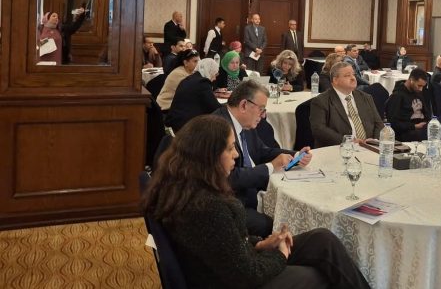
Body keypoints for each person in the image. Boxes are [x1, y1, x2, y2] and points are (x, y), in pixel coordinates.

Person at [141, 115, 370, 288]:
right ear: (208, 155)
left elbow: (225, 244)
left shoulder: (185, 185)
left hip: (230, 264)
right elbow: (247, 274)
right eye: (230, 148)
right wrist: (280, 254)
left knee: (322, 239)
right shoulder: (207, 206)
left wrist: (262, 244)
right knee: (317, 276)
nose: (236, 154)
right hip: (229, 281)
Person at [213, 81, 312, 237]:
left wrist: (294, 155)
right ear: (244, 105)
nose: (264, 115)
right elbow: (229, 177)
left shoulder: (243, 123)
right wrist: (271, 166)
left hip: (253, 189)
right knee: (278, 223)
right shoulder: (218, 128)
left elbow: (261, 151)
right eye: (261, 109)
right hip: (232, 203)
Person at [310, 62, 384, 148]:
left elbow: (379, 123)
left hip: (368, 147)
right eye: (347, 75)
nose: (353, 78)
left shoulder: (366, 97)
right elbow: (319, 130)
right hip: (338, 149)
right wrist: (347, 141)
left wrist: (374, 141)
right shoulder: (321, 101)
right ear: (335, 80)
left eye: (353, 74)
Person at [165, 58, 221, 132]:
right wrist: (228, 107)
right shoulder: (203, 82)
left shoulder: (191, 78)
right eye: (215, 74)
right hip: (186, 126)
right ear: (209, 71)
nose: (215, 78)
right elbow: (215, 107)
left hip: (176, 121)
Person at [386, 68, 431, 142]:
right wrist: (414, 126)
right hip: (404, 133)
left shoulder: (418, 93)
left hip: (420, 129)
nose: (421, 89)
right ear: (411, 80)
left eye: (423, 86)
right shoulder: (397, 96)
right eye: (419, 85)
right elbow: (393, 123)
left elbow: (427, 114)